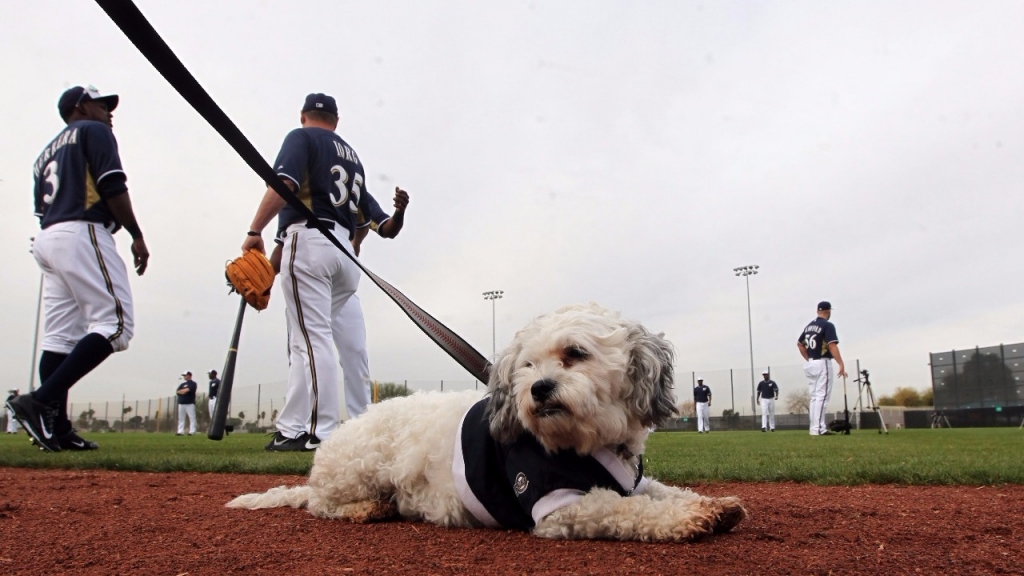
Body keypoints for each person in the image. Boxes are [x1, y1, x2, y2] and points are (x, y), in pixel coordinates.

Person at [244, 93, 408, 452]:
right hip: (345, 256)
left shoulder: (300, 138)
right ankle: (306, 427)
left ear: (303, 115)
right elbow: (386, 228)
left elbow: (283, 184)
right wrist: (400, 214)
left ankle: (321, 433)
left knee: (309, 341)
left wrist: (254, 230)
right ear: (336, 119)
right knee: (337, 347)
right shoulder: (353, 158)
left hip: (310, 242)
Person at [5, 85, 149, 453]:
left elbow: (42, 209)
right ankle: (39, 400)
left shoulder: (43, 155)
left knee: (59, 338)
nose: (108, 112)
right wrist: (135, 233)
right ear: (81, 107)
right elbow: (111, 184)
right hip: (82, 230)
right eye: (102, 104)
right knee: (115, 326)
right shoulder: (93, 130)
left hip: (48, 238)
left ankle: (57, 429)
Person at [797, 301, 847, 436]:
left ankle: (816, 427)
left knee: (814, 397)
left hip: (811, 363)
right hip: (822, 362)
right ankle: (817, 429)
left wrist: (809, 359)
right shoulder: (827, 325)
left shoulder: (809, 326)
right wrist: (841, 363)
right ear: (828, 311)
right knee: (822, 397)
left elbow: (800, 344)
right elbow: (832, 345)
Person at [176, 371, 198, 436]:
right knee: (181, 418)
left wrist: (183, 391)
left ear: (189, 375)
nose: (184, 377)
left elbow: (189, 390)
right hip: (181, 403)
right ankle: (180, 431)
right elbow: (177, 392)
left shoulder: (193, 383)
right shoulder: (182, 384)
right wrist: (184, 391)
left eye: (185, 375)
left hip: (189, 403)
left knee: (192, 417)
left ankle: (192, 431)